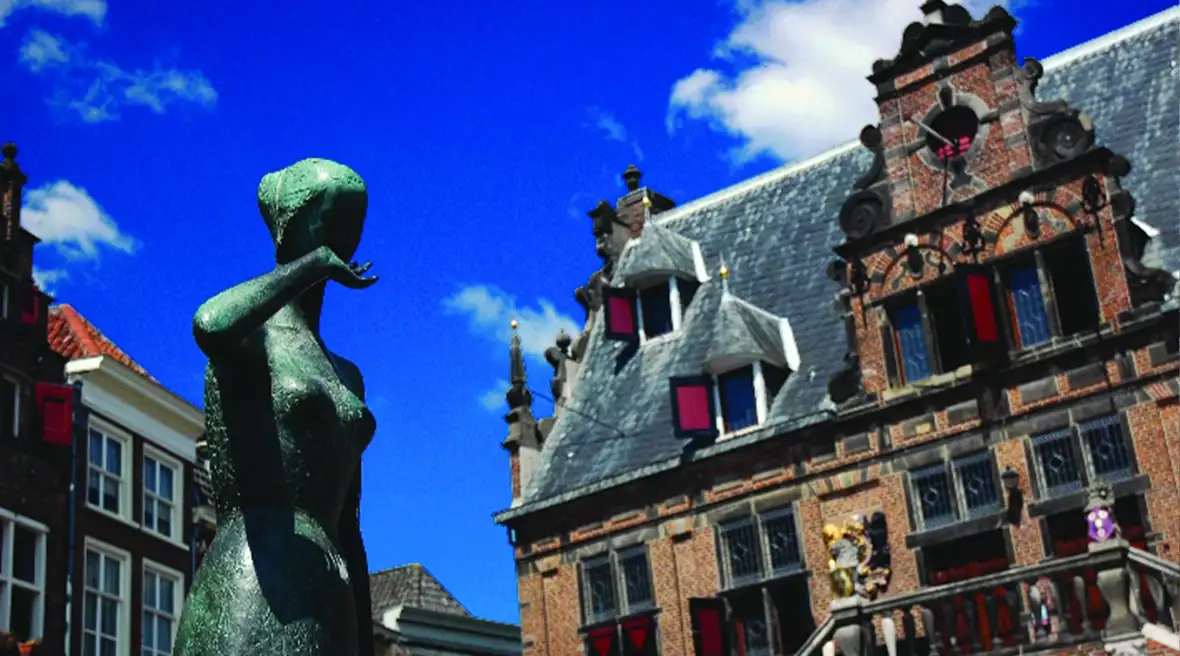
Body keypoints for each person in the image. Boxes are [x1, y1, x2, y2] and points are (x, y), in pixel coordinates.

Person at [175, 158, 378, 656]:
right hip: (256, 578)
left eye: (356, 220)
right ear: (293, 224)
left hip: (329, 590)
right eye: (334, 218)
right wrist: (309, 268)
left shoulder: (347, 374)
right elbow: (209, 322)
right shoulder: (251, 339)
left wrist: (365, 637)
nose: (347, 234)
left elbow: (349, 524)